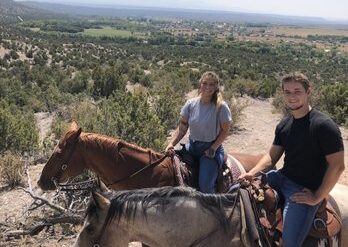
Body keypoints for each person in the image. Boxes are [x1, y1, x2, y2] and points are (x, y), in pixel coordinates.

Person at [238, 72, 345, 247]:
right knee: (236, 193)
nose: (292, 96)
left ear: (308, 91)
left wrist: (317, 196)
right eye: (287, 92)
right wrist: (251, 173)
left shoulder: (324, 126)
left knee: (290, 244)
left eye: (297, 91)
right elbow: (271, 157)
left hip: (302, 191)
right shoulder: (284, 124)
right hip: (280, 178)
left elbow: (338, 165)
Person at [165, 71, 232, 193]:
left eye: (211, 84)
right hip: (192, 147)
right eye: (205, 83)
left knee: (205, 186)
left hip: (211, 149)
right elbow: (182, 127)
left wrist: (213, 148)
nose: (207, 87)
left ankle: (211, 207)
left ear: (216, 86)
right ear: (200, 84)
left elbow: (225, 130)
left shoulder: (221, 107)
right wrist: (171, 143)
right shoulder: (191, 104)